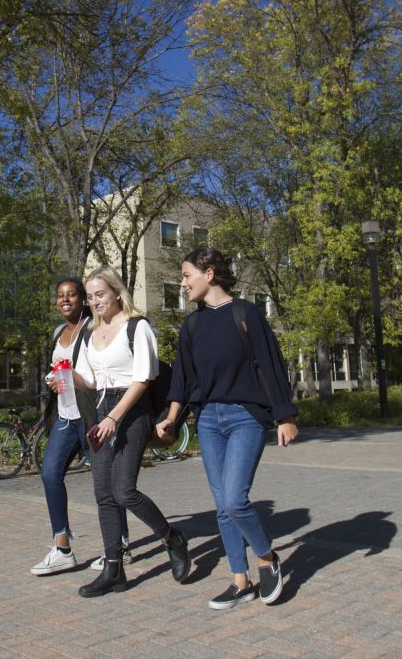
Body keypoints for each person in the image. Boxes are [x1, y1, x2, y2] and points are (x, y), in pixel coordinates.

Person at [157, 248, 299, 610]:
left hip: (245, 417)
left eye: (187, 275)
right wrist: (172, 418)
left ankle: (267, 559)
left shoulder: (245, 312)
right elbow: (183, 380)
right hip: (208, 421)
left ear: (209, 274)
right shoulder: (191, 325)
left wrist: (285, 416)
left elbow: (271, 364)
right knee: (222, 505)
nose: (183, 283)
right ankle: (240, 580)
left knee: (235, 499)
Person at [72, 266, 190, 598]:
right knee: (103, 495)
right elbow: (91, 381)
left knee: (124, 491)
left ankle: (172, 538)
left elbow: (143, 378)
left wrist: (113, 417)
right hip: (101, 409)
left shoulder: (137, 328)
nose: (95, 302)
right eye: (91, 296)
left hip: (132, 411)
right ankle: (114, 570)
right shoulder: (89, 333)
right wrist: (65, 378)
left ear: (116, 292)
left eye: (101, 294)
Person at [32, 279, 130, 576]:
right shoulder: (58, 333)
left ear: (82, 300)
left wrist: (72, 376)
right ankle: (62, 548)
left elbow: (98, 373)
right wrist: (54, 382)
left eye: (72, 295)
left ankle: (120, 542)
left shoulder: (92, 329)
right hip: (65, 417)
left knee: (107, 482)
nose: (65, 300)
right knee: (50, 474)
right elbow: (59, 375)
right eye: (60, 295)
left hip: (90, 417)